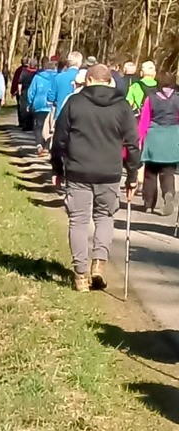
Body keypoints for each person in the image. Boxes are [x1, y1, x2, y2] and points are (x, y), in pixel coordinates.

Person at [51, 62, 141, 292]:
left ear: (88, 80)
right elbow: (132, 143)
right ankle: (99, 263)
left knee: (78, 221)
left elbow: (59, 139)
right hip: (109, 173)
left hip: (78, 171)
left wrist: (57, 168)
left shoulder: (74, 102)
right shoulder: (122, 106)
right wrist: (132, 175)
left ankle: (80, 275)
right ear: (109, 81)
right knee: (105, 217)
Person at [138, 72, 179, 215]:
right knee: (168, 171)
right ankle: (168, 192)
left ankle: (149, 204)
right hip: (172, 136)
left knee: (150, 173)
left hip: (154, 136)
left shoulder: (151, 98)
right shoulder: (178, 98)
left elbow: (144, 120)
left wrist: (140, 138)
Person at [26, 60, 56, 151]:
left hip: (39, 104)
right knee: (50, 126)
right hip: (52, 105)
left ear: (44, 68)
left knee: (38, 126)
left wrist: (29, 103)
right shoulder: (57, 77)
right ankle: (47, 145)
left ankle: (39, 144)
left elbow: (31, 91)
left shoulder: (37, 77)